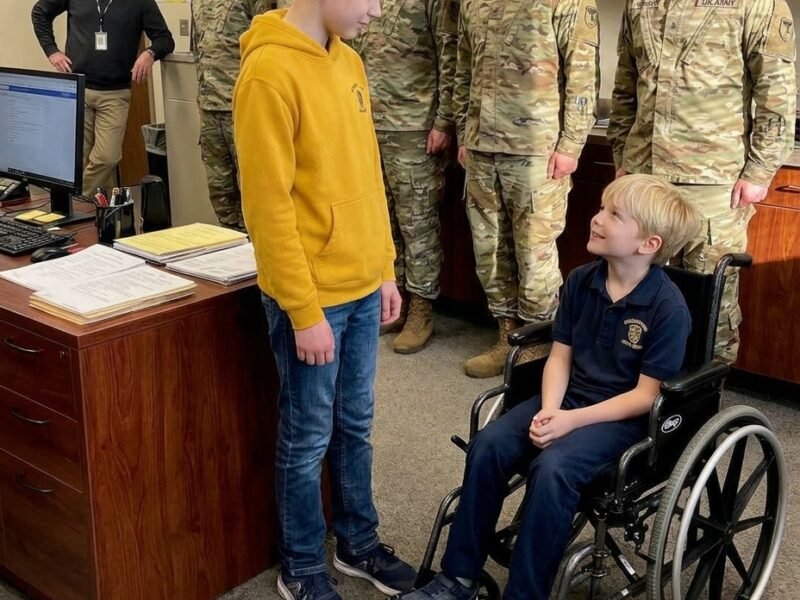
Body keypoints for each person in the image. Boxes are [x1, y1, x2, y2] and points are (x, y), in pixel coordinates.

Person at [398, 175, 701, 600]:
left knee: (553, 468)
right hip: (568, 397)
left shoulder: (667, 308)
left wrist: (570, 421)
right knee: (488, 445)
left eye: (614, 215)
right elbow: (559, 357)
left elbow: (646, 396)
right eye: (602, 208)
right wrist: (551, 410)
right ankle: (457, 577)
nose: (597, 219)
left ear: (648, 244)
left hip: (622, 419)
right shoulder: (580, 281)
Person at [232, 2, 417, 599]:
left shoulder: (350, 62)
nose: (377, 10)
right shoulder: (267, 73)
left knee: (356, 424)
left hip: (362, 285)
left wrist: (384, 268)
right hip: (312, 299)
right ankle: (302, 565)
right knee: (308, 434)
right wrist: (303, 310)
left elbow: (368, 175)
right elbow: (267, 208)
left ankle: (358, 542)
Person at [608, 0, 796, 364]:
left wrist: (759, 170)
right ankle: (637, 389)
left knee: (710, 299)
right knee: (635, 292)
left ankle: (706, 391)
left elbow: (776, 94)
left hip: (711, 180)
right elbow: (625, 85)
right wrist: (622, 155)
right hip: (644, 175)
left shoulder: (758, 4)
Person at [454, 0, 600, 378]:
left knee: (535, 255)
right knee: (489, 250)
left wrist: (571, 145)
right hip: (482, 147)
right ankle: (507, 336)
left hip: (537, 150)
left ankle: (539, 344)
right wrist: (463, 132)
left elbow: (582, 75)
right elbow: (463, 69)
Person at [351, 0, 459, 353]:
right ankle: (393, 299)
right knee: (380, 221)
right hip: (366, 123)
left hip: (414, 127)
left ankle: (421, 309)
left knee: (417, 225)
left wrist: (444, 120)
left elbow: (449, 53)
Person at [31, 0, 175, 196]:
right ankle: (95, 211)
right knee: (77, 160)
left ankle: (75, 200)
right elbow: (40, 12)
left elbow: (165, 39)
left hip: (115, 94)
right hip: (77, 89)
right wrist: (51, 51)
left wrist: (150, 53)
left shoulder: (140, 2)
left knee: (107, 158)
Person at [192, 0, 273, 231]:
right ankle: (230, 243)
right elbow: (199, 49)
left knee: (255, 190)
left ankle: (255, 246)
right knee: (220, 191)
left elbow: (268, 42)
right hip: (210, 108)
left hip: (243, 105)